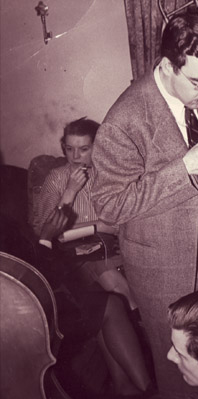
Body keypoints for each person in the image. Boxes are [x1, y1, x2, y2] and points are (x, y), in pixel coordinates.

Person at [91, 13, 198, 399]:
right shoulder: (125, 120)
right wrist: (184, 169)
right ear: (168, 65)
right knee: (185, 382)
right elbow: (109, 204)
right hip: (166, 268)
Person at [0, 211, 153, 398]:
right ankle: (145, 388)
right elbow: (35, 279)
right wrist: (46, 238)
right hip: (30, 325)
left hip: (31, 311)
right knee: (109, 304)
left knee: (103, 303)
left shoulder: (7, 224)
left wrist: (50, 241)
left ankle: (125, 386)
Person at [34, 117, 136, 310]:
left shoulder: (110, 174)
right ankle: (136, 318)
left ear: (97, 148)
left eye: (83, 149)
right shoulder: (56, 178)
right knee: (112, 279)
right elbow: (44, 231)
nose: (75, 156)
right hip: (75, 253)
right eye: (69, 148)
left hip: (112, 245)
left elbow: (122, 221)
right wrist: (70, 191)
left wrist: (93, 227)